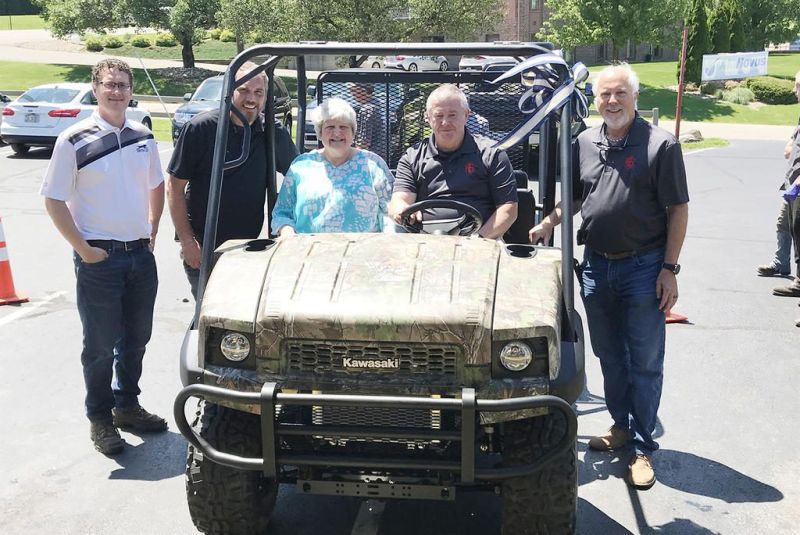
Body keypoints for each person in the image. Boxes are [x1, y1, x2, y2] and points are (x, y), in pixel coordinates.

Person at [529, 64, 689, 489]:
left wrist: (669, 270)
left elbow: (678, 210)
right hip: (597, 266)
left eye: (620, 94)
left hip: (644, 268)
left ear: (634, 97)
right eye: (604, 95)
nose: (612, 102)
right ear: (595, 99)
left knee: (645, 361)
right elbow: (578, 198)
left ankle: (641, 447)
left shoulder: (661, 146)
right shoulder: (584, 141)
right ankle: (620, 425)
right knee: (608, 355)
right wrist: (551, 221)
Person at [40, 59, 167, 455]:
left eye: (123, 84)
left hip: (139, 257)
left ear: (132, 90)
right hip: (100, 259)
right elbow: (53, 198)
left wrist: (153, 227)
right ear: (96, 88)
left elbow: (157, 184)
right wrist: (84, 250)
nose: (117, 91)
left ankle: (127, 406)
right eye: (109, 84)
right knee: (98, 345)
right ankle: (100, 419)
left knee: (136, 339)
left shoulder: (143, 135)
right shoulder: (73, 140)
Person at [166, 64, 298, 299]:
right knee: (210, 315)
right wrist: (187, 242)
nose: (251, 99)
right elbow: (174, 188)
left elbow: (300, 176)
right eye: (244, 90)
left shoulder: (271, 132)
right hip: (204, 245)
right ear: (229, 91)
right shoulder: (201, 128)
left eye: (258, 93)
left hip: (249, 248)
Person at [388, 84, 518, 239]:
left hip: (479, 241)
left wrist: (478, 240)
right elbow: (399, 200)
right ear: (427, 118)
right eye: (438, 115)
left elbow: (508, 209)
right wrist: (403, 209)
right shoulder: (412, 157)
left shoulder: (492, 154)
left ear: (466, 115)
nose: (445, 122)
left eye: (452, 115)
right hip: (426, 241)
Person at [271, 97, 394, 234]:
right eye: (330, 127)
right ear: (320, 132)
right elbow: (281, 214)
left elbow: (390, 213)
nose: (336, 133)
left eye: (343, 127)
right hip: (309, 250)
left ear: (353, 132)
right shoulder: (301, 166)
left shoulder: (373, 165)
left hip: (362, 251)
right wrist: (288, 234)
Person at [772, 70, 800, 304]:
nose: (794, 90)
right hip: (792, 182)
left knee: (799, 230)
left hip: (799, 184)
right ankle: (781, 263)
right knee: (785, 223)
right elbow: (789, 146)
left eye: (798, 85)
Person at [350, 83, 388, 163]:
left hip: (369, 159)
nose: (351, 94)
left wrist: (355, 160)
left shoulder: (367, 109)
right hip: (382, 156)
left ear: (362, 91)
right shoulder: (380, 104)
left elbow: (364, 141)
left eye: (353, 90)